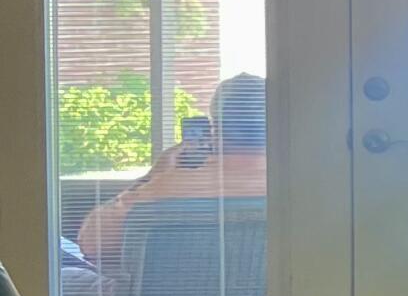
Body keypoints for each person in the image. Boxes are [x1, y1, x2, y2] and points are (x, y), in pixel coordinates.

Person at [75, 72, 267, 274]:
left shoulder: (168, 186)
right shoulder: (295, 189)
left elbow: (92, 245)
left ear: (215, 129)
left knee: (63, 277)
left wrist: (153, 175)